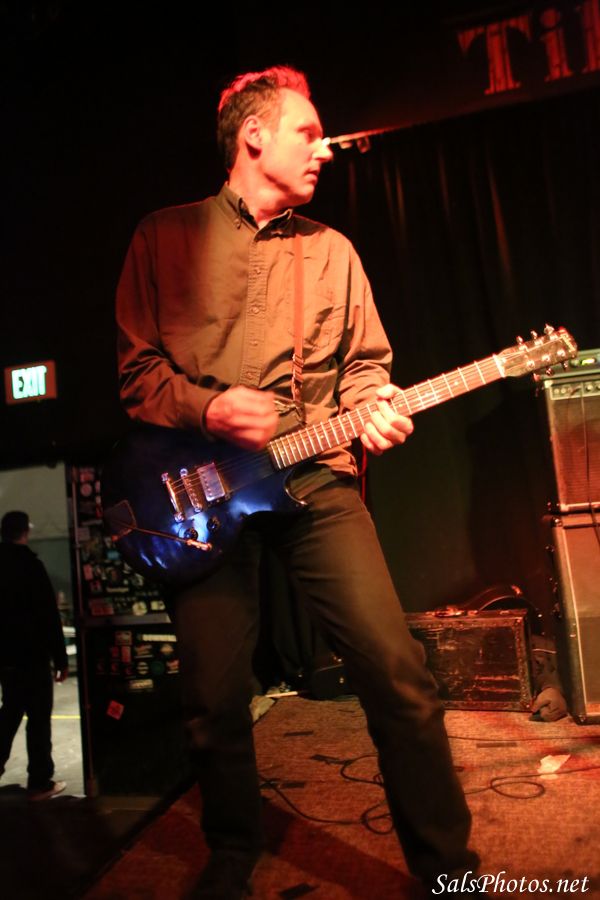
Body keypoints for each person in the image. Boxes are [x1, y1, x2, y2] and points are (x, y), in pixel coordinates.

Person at [116, 66, 479, 897]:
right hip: (203, 487)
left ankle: (448, 873)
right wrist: (210, 409)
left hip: (312, 475)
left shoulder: (334, 251)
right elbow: (136, 375)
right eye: (308, 132)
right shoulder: (162, 237)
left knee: (397, 671)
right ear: (254, 135)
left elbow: (366, 368)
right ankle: (232, 851)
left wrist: (374, 409)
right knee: (213, 695)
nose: (325, 149)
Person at [0, 510, 68, 800]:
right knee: (38, 719)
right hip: (33, 657)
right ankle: (39, 782)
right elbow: (48, 616)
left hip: (6, 658)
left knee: (9, 713)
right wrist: (61, 659)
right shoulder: (31, 566)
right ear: (25, 532)